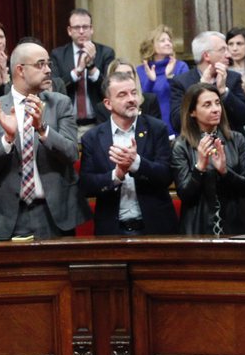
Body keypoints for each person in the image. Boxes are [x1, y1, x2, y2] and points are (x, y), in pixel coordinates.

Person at [0, 42, 88, 240]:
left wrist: (43, 129)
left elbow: (71, 153)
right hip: (10, 217)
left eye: (49, 64)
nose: (48, 70)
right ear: (20, 70)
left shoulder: (59, 104)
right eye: (40, 64)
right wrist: (7, 140)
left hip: (56, 215)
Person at [80, 70, 177, 236]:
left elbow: (167, 175)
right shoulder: (92, 138)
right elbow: (87, 185)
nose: (131, 99)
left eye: (134, 93)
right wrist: (116, 175)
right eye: (122, 95)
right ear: (108, 104)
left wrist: (137, 163)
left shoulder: (156, 128)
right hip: (112, 230)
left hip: (155, 228)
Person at [171, 83, 245, 236]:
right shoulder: (181, 145)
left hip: (236, 225)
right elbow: (185, 195)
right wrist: (199, 168)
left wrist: (225, 171)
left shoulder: (236, 139)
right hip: (198, 228)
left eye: (217, 103)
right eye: (207, 105)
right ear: (192, 112)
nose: (216, 109)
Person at [168, 31, 245, 135]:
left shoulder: (233, 78)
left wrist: (224, 92)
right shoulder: (181, 82)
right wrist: (199, 89)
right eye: (222, 50)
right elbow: (177, 123)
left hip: (231, 143)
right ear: (206, 55)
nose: (229, 55)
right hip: (196, 144)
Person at [49, 8, 116, 132]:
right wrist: (78, 71)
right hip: (67, 124)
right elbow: (55, 88)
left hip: (98, 123)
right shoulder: (58, 55)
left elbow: (110, 89)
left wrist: (91, 67)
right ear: (69, 31)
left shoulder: (106, 53)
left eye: (85, 27)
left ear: (91, 29)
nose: (81, 31)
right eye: (76, 27)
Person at [137, 24, 188, 136]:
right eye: (162, 40)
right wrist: (151, 81)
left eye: (169, 40)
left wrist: (169, 77)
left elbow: (183, 96)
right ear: (151, 45)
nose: (168, 43)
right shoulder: (141, 70)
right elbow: (142, 101)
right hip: (150, 127)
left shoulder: (180, 67)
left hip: (175, 127)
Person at [97, 59, 162, 123]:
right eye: (120, 74)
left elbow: (156, 129)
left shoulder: (150, 100)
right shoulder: (102, 108)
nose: (125, 77)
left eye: (129, 73)